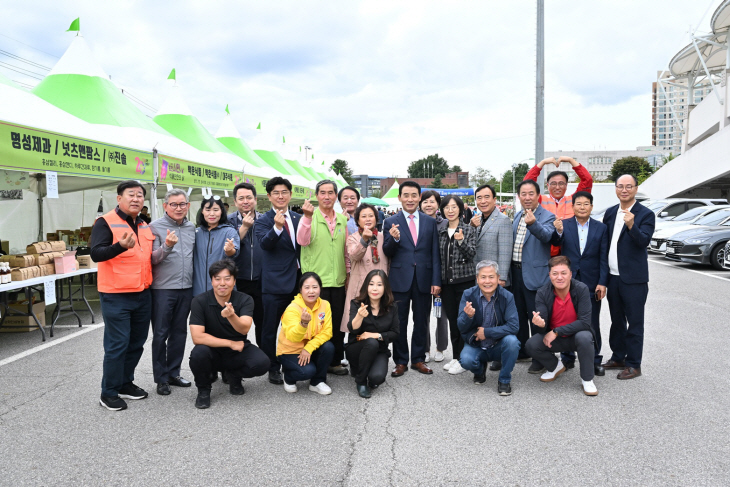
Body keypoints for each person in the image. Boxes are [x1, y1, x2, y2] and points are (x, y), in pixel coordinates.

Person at [91, 180, 155, 411]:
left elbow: (147, 257)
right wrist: (119, 246)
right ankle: (108, 392)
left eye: (140, 195)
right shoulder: (105, 222)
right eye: (131, 195)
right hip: (116, 295)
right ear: (119, 198)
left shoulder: (144, 225)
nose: (136, 199)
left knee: (136, 343)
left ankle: (125, 383)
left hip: (142, 293)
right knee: (118, 344)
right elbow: (96, 254)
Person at [188, 259, 270, 409]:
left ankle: (233, 374)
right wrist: (230, 343)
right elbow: (197, 337)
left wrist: (232, 315)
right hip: (212, 350)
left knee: (262, 363)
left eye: (227, 278)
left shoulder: (245, 299)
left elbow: (244, 329)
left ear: (234, 281)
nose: (222, 283)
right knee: (198, 354)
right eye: (217, 279)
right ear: (211, 281)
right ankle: (204, 390)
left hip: (237, 351)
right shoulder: (199, 301)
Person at [383, 180, 441, 377]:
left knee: (421, 321)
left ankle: (418, 359)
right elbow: (387, 251)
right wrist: (394, 238)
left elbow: (435, 254)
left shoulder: (430, 222)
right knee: (399, 321)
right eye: (405, 195)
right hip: (399, 279)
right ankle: (400, 361)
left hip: (424, 279)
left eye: (413, 195)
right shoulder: (390, 222)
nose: (410, 199)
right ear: (399, 198)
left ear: (419, 197)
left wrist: (436, 281)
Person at [602, 175, 655, 380]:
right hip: (613, 277)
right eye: (620, 186)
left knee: (634, 323)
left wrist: (632, 226)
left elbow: (644, 242)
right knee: (616, 321)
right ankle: (618, 357)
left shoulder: (646, 214)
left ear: (635, 188)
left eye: (629, 186)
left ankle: (634, 364)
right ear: (615, 189)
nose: (624, 190)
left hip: (634, 279)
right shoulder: (609, 213)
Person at [297, 180, 349, 376]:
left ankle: (334, 361)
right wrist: (307, 218)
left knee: (336, 324)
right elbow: (302, 240)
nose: (327, 196)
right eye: (322, 193)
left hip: (338, 280)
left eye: (330, 193)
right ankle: (316, 361)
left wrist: (348, 276)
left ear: (336, 196)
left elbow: (345, 252)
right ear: (317, 196)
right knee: (315, 325)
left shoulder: (343, 221)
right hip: (315, 284)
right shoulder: (308, 217)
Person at [525, 256, 598, 396]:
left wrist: (557, 331)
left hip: (576, 336)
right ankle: (556, 366)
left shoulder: (581, 289)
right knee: (531, 344)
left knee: (585, 337)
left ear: (570, 274)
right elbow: (542, 324)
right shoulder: (542, 292)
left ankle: (587, 379)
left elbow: (585, 322)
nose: (559, 277)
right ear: (549, 275)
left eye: (563, 273)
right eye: (555, 273)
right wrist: (540, 324)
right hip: (555, 340)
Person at [511, 180, 562, 373]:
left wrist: (533, 224)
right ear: (519, 196)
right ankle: (524, 350)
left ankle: (540, 356)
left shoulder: (547, 216)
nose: (527, 197)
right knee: (519, 314)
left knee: (537, 317)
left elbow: (547, 236)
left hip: (535, 275)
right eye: (523, 194)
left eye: (531, 193)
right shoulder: (517, 215)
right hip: (515, 273)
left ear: (538, 195)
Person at [149, 189, 196, 395]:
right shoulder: (155, 227)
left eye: (182, 204)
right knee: (160, 333)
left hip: (186, 288)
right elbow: (152, 259)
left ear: (188, 206)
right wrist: (167, 246)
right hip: (162, 289)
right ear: (165, 206)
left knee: (179, 333)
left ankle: (173, 372)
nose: (179, 208)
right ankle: (161, 378)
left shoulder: (191, 227)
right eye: (174, 204)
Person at [255, 177, 302, 385]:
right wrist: (276, 228)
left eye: (284, 192)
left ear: (290, 195)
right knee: (269, 328)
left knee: (297, 326)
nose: (281, 196)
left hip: (298, 282)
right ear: (269, 196)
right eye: (276, 193)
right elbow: (265, 245)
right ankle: (272, 367)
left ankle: (293, 361)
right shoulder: (263, 221)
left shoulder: (299, 218)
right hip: (273, 284)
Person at [558, 191, 609, 376]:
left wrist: (603, 282)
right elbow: (556, 244)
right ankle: (567, 357)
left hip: (592, 282)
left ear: (591, 207)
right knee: (567, 319)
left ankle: (594, 359)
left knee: (592, 321)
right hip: (568, 282)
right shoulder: (563, 225)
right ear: (572, 206)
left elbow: (603, 257)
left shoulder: (601, 228)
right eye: (578, 204)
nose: (582, 207)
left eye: (586, 204)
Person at [457, 260, 520, 396]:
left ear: (498, 278)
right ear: (477, 279)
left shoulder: (507, 296)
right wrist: (467, 317)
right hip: (476, 344)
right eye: (483, 277)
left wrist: (487, 332)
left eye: (491, 277)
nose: (487, 281)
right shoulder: (468, 294)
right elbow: (461, 327)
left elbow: (514, 326)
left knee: (512, 342)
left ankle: (504, 380)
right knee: (466, 360)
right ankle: (479, 371)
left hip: (498, 344)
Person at [470, 183, 513, 371]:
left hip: (495, 280)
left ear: (495, 199)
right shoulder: (479, 220)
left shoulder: (502, 220)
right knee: (485, 317)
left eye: (487, 197)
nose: (483, 201)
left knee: (498, 318)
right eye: (479, 197)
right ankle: (484, 350)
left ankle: (501, 355)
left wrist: (501, 277)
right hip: (481, 278)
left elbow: (505, 251)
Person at [437, 195, 476, 376]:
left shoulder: (468, 230)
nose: (450, 210)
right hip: (447, 284)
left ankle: (463, 358)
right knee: (453, 320)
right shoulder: (441, 231)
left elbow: (471, 254)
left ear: (460, 209)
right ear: (442, 210)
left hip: (465, 282)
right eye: (447, 207)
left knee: (464, 321)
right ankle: (456, 355)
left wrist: (460, 241)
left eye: (454, 207)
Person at [277, 272, 335, 395]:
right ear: (300, 290)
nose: (311, 291)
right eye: (307, 287)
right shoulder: (293, 308)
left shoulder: (325, 304)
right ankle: (288, 376)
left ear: (320, 288)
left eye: (315, 287)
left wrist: (308, 348)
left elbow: (327, 332)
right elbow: (292, 336)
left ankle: (317, 382)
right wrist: (303, 324)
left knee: (328, 347)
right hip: (290, 351)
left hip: (309, 349)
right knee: (307, 371)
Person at [524, 155, 593, 257]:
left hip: (568, 250)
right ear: (547, 185)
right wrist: (542, 163)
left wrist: (571, 160)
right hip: (544, 251)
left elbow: (587, 180)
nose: (557, 187)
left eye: (561, 183)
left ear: (566, 185)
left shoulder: (574, 200)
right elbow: (527, 184)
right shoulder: (540, 200)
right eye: (553, 184)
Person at [346, 270, 399, 398]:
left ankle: (366, 371)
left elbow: (395, 333)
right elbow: (352, 329)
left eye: (379, 285)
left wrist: (375, 335)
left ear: (385, 287)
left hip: (379, 350)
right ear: (366, 286)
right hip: (357, 348)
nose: (375, 288)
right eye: (371, 284)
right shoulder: (357, 303)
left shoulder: (392, 307)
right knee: (371, 343)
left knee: (376, 379)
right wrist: (359, 316)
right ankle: (361, 381)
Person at [342, 203, 389, 334]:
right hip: (360, 288)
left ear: (376, 218)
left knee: (378, 324)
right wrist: (364, 240)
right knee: (357, 326)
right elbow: (354, 256)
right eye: (363, 216)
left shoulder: (382, 236)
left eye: (371, 216)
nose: (368, 219)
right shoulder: (353, 238)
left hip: (379, 288)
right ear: (357, 220)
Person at [228, 182, 264, 347]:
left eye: (249, 197)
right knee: (235, 325)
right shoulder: (228, 221)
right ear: (235, 202)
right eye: (241, 198)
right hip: (237, 282)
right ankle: (234, 365)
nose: (245, 201)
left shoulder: (265, 220)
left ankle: (269, 363)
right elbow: (227, 248)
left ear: (255, 199)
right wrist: (243, 228)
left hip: (261, 282)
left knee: (263, 325)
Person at [419, 190, 448, 362]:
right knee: (422, 315)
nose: (428, 205)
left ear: (438, 204)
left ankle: (440, 347)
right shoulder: (417, 223)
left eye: (432, 201)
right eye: (425, 202)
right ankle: (425, 348)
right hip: (422, 275)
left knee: (440, 315)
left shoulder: (445, 223)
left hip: (441, 275)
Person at [192, 196, 239, 296]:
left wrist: (230, 250)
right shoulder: (196, 233)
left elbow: (234, 252)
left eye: (216, 210)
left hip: (222, 290)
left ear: (222, 211)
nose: (212, 214)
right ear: (202, 212)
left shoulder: (229, 231)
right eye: (208, 210)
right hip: (198, 291)